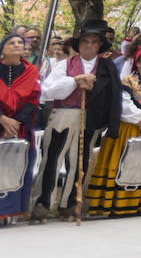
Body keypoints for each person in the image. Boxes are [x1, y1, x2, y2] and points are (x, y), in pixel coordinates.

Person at [32, 18, 122, 222]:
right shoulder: (66, 64)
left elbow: (114, 96)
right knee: (52, 159)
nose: (88, 46)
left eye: (93, 42)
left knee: (79, 163)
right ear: (78, 44)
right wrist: (75, 81)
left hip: (91, 119)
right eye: (84, 41)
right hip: (63, 115)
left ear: (100, 45)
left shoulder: (107, 67)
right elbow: (47, 90)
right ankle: (43, 203)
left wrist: (95, 88)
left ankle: (71, 203)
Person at [85, 44, 141, 216]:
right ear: (138, 62)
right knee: (125, 162)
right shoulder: (126, 81)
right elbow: (123, 105)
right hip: (130, 127)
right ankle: (119, 203)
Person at [0, 30, 41, 221]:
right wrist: (2, 119)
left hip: (21, 127)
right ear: (3, 50)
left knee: (16, 168)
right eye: (12, 43)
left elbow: (33, 99)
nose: (17, 45)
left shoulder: (31, 71)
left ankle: (11, 212)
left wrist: (15, 122)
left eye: (19, 43)